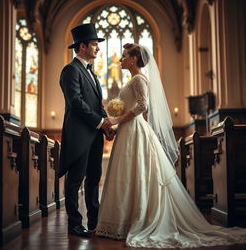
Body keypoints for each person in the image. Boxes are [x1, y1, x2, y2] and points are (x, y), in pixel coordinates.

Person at [95, 43, 246, 248]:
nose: (120, 60)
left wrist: (116, 120)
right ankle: (123, 221)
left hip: (134, 130)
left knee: (135, 174)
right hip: (128, 130)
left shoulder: (139, 79)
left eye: (124, 56)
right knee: (126, 175)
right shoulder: (133, 79)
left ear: (133, 59)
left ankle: (135, 220)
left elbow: (142, 106)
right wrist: (117, 122)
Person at [59, 23, 114, 237]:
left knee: (94, 177)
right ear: (82, 47)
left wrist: (106, 125)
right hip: (79, 135)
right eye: (94, 44)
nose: (98, 48)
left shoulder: (92, 73)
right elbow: (76, 102)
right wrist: (100, 123)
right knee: (75, 180)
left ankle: (94, 221)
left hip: (95, 136)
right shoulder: (70, 70)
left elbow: (96, 105)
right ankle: (74, 224)